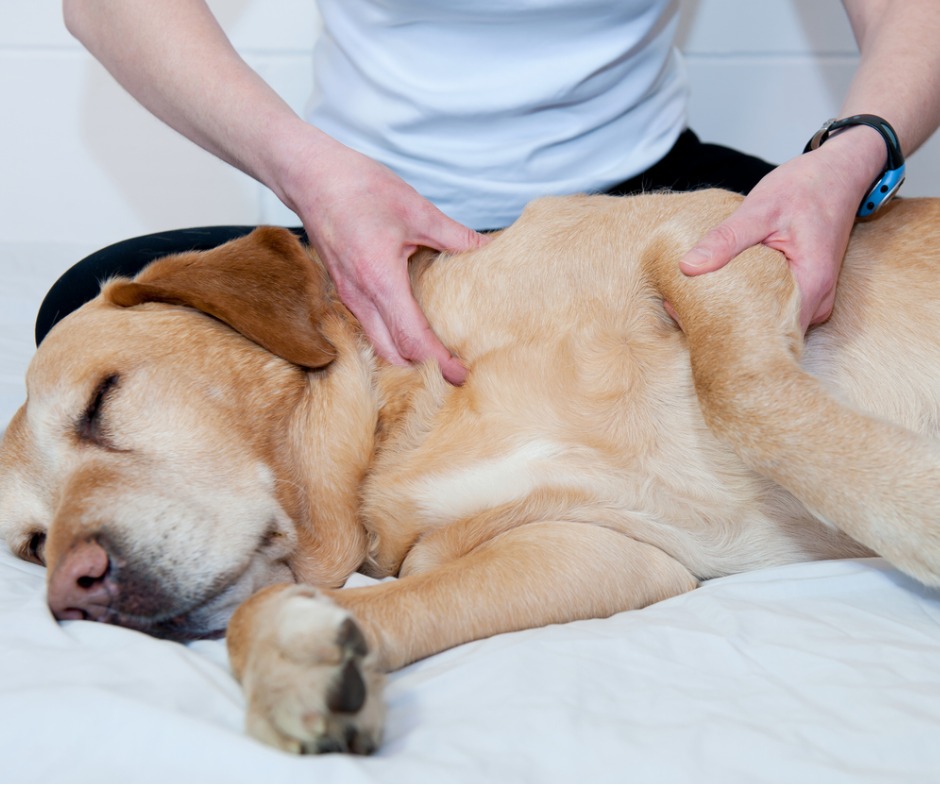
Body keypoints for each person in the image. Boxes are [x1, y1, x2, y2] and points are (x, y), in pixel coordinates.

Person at [40, 0, 940, 387]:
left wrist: (854, 152)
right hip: (369, 228)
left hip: (638, 215)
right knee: (88, 315)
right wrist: (303, 167)